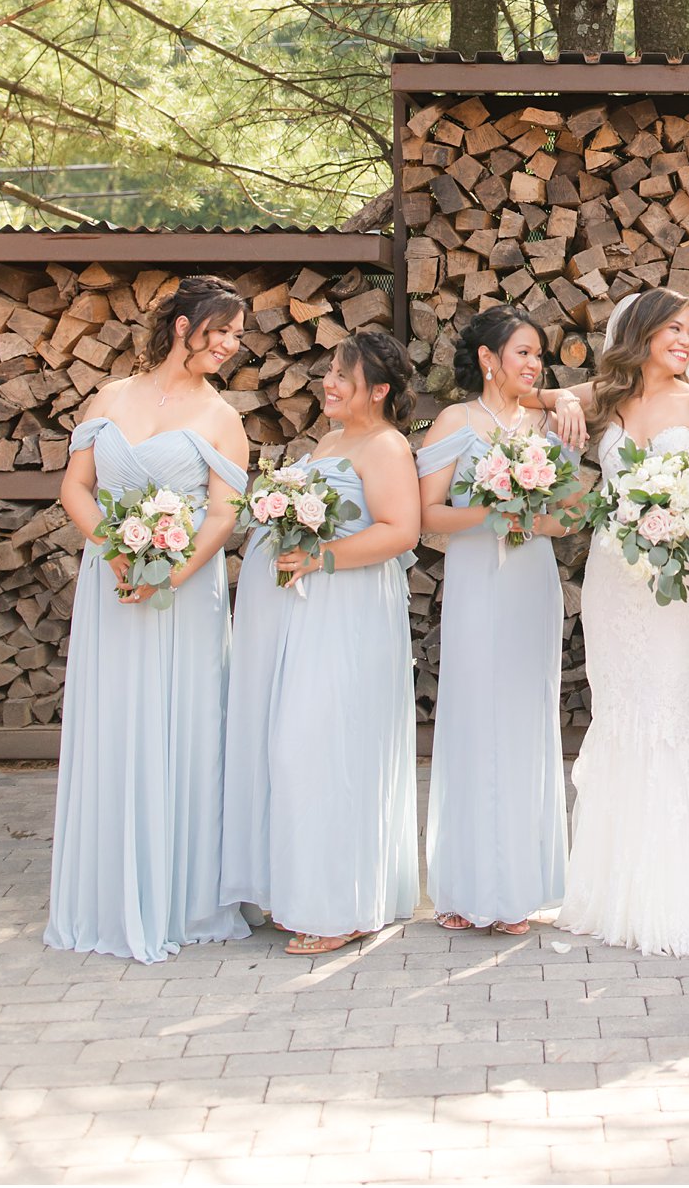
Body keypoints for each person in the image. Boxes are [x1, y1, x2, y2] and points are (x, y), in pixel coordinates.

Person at [45, 274, 252, 963]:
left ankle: (180, 894)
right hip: (110, 583)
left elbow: (222, 511)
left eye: (237, 335)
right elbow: (76, 484)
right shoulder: (108, 396)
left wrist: (171, 569)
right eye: (221, 330)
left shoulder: (224, 417)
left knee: (183, 725)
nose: (230, 344)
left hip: (182, 597)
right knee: (114, 723)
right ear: (184, 325)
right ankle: (106, 891)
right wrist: (115, 551)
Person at [221, 328, 420, 956]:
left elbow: (402, 531)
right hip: (304, 616)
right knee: (297, 747)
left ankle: (339, 906)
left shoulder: (386, 447)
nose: (327, 382)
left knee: (321, 747)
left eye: (342, 374)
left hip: (350, 613)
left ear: (379, 389)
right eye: (329, 371)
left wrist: (321, 558)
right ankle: (312, 887)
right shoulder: (333, 439)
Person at [557, 289, 689, 957]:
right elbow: (537, 397)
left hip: (671, 582)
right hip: (611, 574)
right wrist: (555, 401)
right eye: (674, 329)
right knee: (614, 710)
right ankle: (609, 891)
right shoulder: (607, 395)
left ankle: (671, 894)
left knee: (665, 712)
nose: (688, 342)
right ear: (639, 332)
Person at [417, 306, 583, 938]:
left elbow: (569, 515)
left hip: (529, 579)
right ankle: (463, 886)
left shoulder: (548, 419)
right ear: (488, 359)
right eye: (522, 352)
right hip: (474, 579)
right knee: (472, 716)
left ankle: (519, 885)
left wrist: (530, 517)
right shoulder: (455, 422)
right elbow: (429, 512)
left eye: (539, 353)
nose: (535, 362)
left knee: (522, 717)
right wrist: (494, 513)